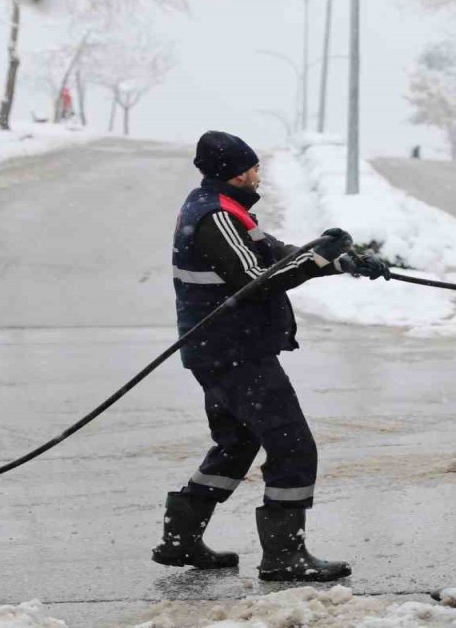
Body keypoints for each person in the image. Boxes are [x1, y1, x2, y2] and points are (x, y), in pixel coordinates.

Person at [152, 130, 390, 581]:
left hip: (222, 350)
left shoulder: (225, 210)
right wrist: (315, 260)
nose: (259, 174)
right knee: (293, 445)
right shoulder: (217, 216)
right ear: (237, 172)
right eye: (255, 167)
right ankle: (284, 556)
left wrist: (341, 261)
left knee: (237, 443)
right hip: (234, 351)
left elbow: (274, 254)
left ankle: (179, 541)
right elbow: (256, 279)